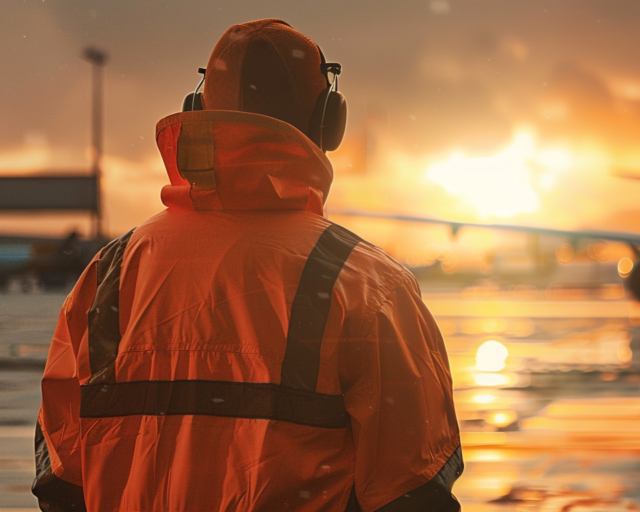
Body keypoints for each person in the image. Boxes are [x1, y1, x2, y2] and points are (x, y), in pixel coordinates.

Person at [32, 19, 461, 512]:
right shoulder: (370, 286)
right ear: (327, 122)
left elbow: (61, 482)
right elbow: (414, 490)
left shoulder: (109, 274)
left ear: (197, 110)